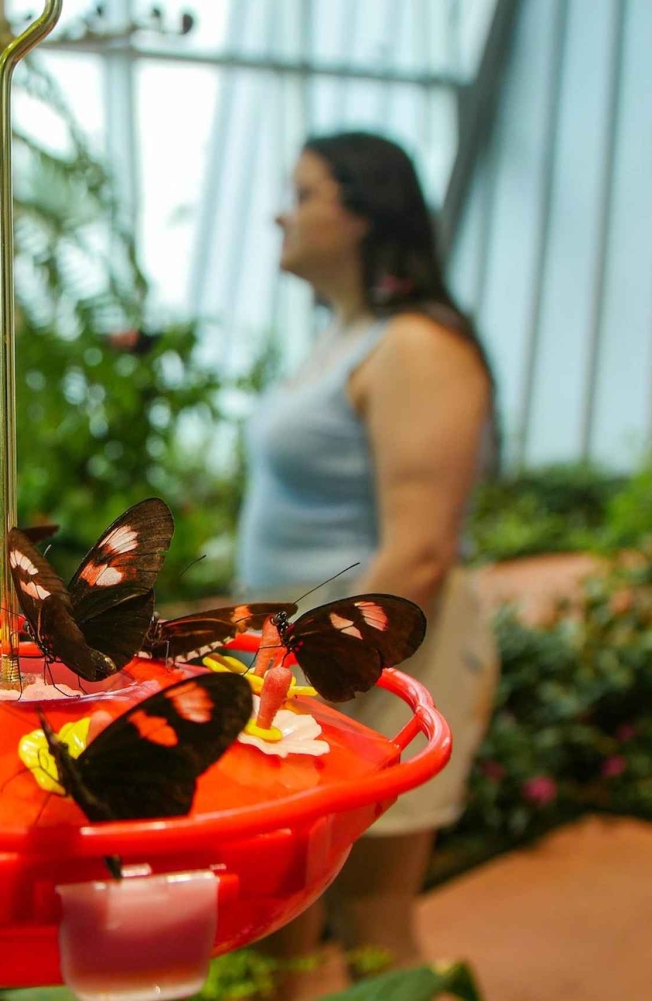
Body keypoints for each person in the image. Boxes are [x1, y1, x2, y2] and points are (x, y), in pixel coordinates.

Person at [235, 132, 498, 998]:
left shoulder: (416, 346)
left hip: (379, 653)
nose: (281, 215)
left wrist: (327, 681)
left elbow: (420, 548)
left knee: (375, 922)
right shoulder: (343, 337)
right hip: (308, 655)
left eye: (303, 193)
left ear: (362, 214)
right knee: (279, 920)